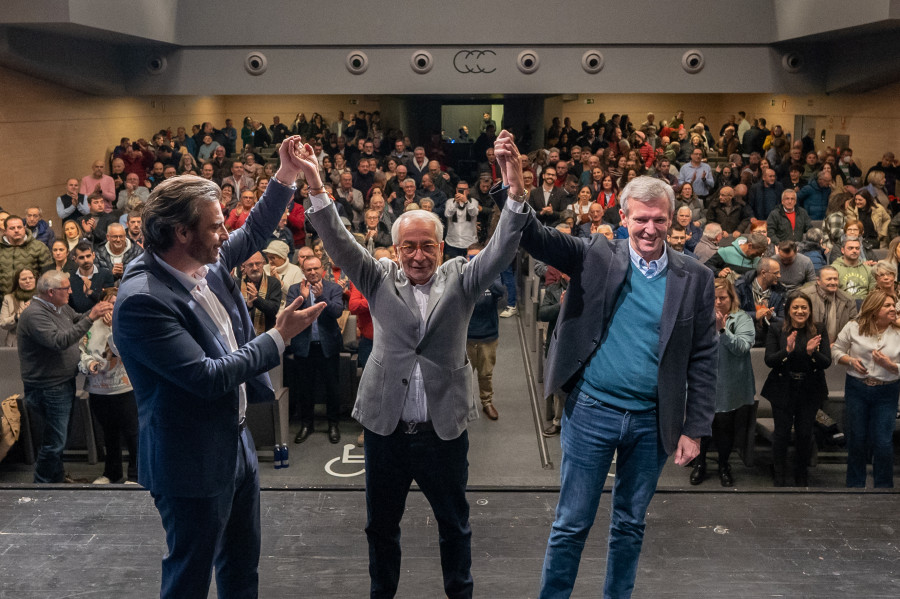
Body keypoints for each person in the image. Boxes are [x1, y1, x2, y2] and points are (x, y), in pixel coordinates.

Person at [307, 131, 529, 598]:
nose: (418, 255)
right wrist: (314, 183)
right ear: (396, 248)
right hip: (386, 431)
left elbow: (504, 247)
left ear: (442, 245)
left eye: (427, 245)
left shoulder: (463, 280)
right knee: (380, 529)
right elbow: (340, 243)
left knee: (455, 527)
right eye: (408, 246)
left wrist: (515, 191)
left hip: (442, 432)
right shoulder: (378, 276)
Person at [112, 137, 325, 598]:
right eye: (213, 227)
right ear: (180, 232)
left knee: (241, 567)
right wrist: (277, 337)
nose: (224, 235)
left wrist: (286, 173)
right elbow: (207, 377)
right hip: (190, 459)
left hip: (236, 442)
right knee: (189, 578)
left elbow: (251, 231)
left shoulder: (200, 262)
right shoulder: (144, 301)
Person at [519, 175, 716, 598]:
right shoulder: (596, 254)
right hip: (591, 412)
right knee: (571, 523)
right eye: (641, 219)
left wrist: (694, 427)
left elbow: (703, 357)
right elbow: (534, 236)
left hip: (652, 424)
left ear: (671, 221)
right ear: (623, 217)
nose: (650, 229)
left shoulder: (695, 278)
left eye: (659, 220)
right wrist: (514, 190)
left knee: (630, 525)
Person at [17, 270, 113, 483]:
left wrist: (99, 313)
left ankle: (57, 480)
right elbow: (59, 341)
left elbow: (77, 319)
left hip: (61, 383)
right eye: (66, 288)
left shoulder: (58, 307)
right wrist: (92, 316)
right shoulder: (35, 314)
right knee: (54, 442)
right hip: (48, 387)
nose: (71, 291)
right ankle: (41, 485)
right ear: (51, 292)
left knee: (59, 439)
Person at [832, 289, 900, 489]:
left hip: (887, 391)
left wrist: (892, 366)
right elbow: (836, 350)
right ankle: (855, 486)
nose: (893, 309)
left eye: (893, 305)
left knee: (883, 442)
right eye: (887, 305)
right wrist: (850, 360)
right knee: (857, 440)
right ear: (874, 309)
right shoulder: (854, 327)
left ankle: (883, 488)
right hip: (857, 389)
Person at [690, 277, 755, 487]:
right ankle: (700, 464)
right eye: (714, 298)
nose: (718, 302)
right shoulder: (700, 316)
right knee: (701, 426)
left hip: (730, 383)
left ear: (731, 297)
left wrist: (722, 330)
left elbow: (742, 348)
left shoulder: (742, 318)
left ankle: (724, 465)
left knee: (724, 428)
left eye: (722, 297)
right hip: (703, 380)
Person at [762, 292, 831, 486]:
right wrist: (787, 351)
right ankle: (779, 473)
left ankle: (801, 473)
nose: (800, 311)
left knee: (804, 433)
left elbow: (826, 362)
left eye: (804, 308)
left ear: (809, 310)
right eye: (795, 308)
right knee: (782, 433)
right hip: (783, 387)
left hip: (809, 389)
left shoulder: (818, 328)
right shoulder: (777, 328)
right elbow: (770, 360)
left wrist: (811, 353)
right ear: (788, 310)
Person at [78, 289, 139, 484]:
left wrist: (114, 328)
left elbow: (127, 351)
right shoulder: (91, 324)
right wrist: (89, 364)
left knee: (133, 434)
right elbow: (81, 350)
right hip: (98, 388)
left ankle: (136, 475)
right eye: (108, 303)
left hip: (124, 388)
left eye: (116, 303)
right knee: (109, 433)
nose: (111, 307)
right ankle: (112, 473)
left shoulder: (128, 323)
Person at [285, 256, 344, 444]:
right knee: (305, 388)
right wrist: (302, 299)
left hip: (328, 346)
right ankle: (306, 424)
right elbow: (289, 316)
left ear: (322, 270)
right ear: (303, 271)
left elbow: (337, 312)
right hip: (304, 346)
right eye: (308, 269)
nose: (312, 272)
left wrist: (320, 297)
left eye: (315, 268)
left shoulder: (333, 288)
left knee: (332, 388)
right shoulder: (295, 290)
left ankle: (333, 424)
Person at [465, 243, 505, 421]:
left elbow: (500, 292)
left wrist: (483, 273)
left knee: (485, 373)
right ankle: (464, 405)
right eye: (470, 257)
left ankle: (486, 402)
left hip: (488, 335)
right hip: (465, 337)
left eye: (476, 258)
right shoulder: (462, 275)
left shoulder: (493, 275)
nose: (472, 261)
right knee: (463, 375)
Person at [0, 215, 53, 296]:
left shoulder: (39, 247)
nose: (16, 230)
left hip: (31, 299)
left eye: (19, 227)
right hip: (3, 300)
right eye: (12, 228)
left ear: (24, 228)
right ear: (5, 231)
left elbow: (48, 276)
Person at [236, 251, 282, 334]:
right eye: (250, 265)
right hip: (243, 335)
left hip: (267, 334)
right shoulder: (236, 285)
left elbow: (273, 310)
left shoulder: (273, 283)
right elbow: (234, 313)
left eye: (258, 264)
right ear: (244, 266)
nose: (255, 268)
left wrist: (256, 298)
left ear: (263, 263)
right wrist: (248, 306)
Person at [0, 268, 36, 347]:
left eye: (31, 278)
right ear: (17, 282)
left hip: (38, 343)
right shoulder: (8, 298)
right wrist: (18, 316)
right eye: (23, 279)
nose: (28, 281)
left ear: (35, 279)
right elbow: (3, 323)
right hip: (15, 344)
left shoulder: (44, 298)